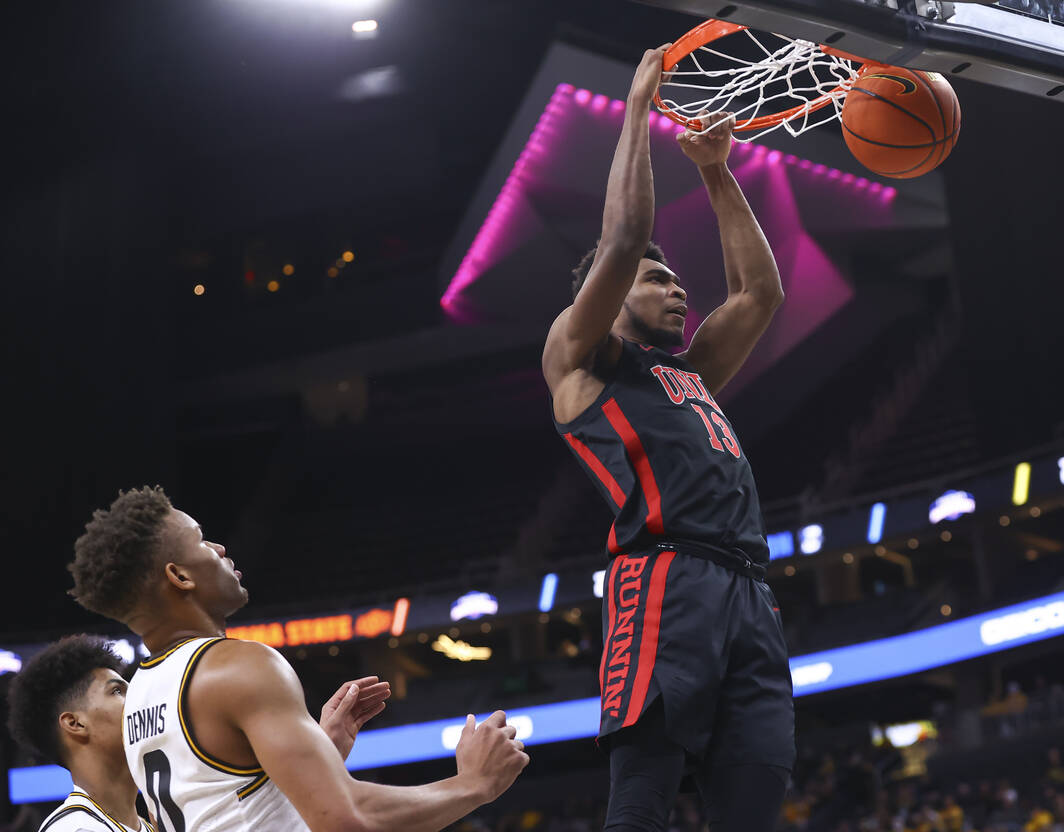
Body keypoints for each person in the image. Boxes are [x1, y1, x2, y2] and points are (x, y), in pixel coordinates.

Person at [541, 45, 794, 831]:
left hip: (750, 590)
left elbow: (761, 292)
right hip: (663, 580)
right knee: (643, 798)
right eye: (660, 279)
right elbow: (624, 239)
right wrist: (639, 110)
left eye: (677, 279)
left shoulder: (691, 371)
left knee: (754, 799)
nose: (679, 285)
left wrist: (716, 170)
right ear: (607, 297)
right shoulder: (580, 360)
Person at [67, 486, 528, 832]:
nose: (221, 550)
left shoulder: (141, 695)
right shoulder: (239, 667)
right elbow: (346, 818)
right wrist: (473, 784)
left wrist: (320, 752)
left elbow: (229, 809)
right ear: (179, 576)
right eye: (203, 540)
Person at [6, 634, 390, 831]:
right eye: (118, 691)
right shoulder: (75, 828)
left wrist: (322, 757)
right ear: (75, 724)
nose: (137, 699)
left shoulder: (157, 821)